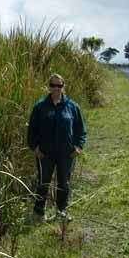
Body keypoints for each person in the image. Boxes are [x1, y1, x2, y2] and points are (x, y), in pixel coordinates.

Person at [27, 73, 86, 222]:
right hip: (44, 154)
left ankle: (61, 211)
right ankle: (39, 213)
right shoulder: (40, 107)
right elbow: (32, 130)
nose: (56, 88)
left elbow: (80, 130)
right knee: (43, 182)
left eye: (59, 85)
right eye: (53, 85)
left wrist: (78, 147)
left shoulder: (72, 106)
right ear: (49, 87)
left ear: (63, 87)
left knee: (64, 183)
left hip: (66, 154)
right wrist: (35, 148)